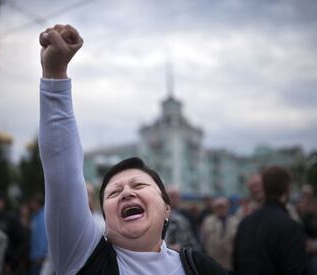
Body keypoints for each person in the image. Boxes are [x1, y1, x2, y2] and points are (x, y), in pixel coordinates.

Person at [38, 24, 227, 275]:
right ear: (103, 215)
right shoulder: (83, 257)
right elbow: (62, 171)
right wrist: (54, 72)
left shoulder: (199, 267)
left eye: (138, 185)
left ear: (167, 208)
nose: (126, 192)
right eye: (113, 192)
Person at [233, 166, 307, 275]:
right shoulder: (243, 216)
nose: (255, 190)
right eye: (252, 187)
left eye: (257, 186)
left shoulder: (245, 222)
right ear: (288, 189)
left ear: (264, 187)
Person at [201, 197, 238, 272]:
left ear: (227, 207)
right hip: (212, 263)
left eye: (222, 207)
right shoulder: (207, 221)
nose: (219, 209)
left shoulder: (235, 222)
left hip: (230, 264)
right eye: (217, 207)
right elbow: (203, 240)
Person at [165, 185, 202, 251]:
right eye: (172, 196)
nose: (175, 199)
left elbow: (193, 241)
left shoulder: (186, 217)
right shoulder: (159, 216)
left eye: (177, 196)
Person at [29, 195, 48, 275]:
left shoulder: (42, 216)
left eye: (33, 202)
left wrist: (40, 255)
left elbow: (43, 237)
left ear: (37, 204)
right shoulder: (35, 216)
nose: (31, 204)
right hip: (35, 256)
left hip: (39, 257)